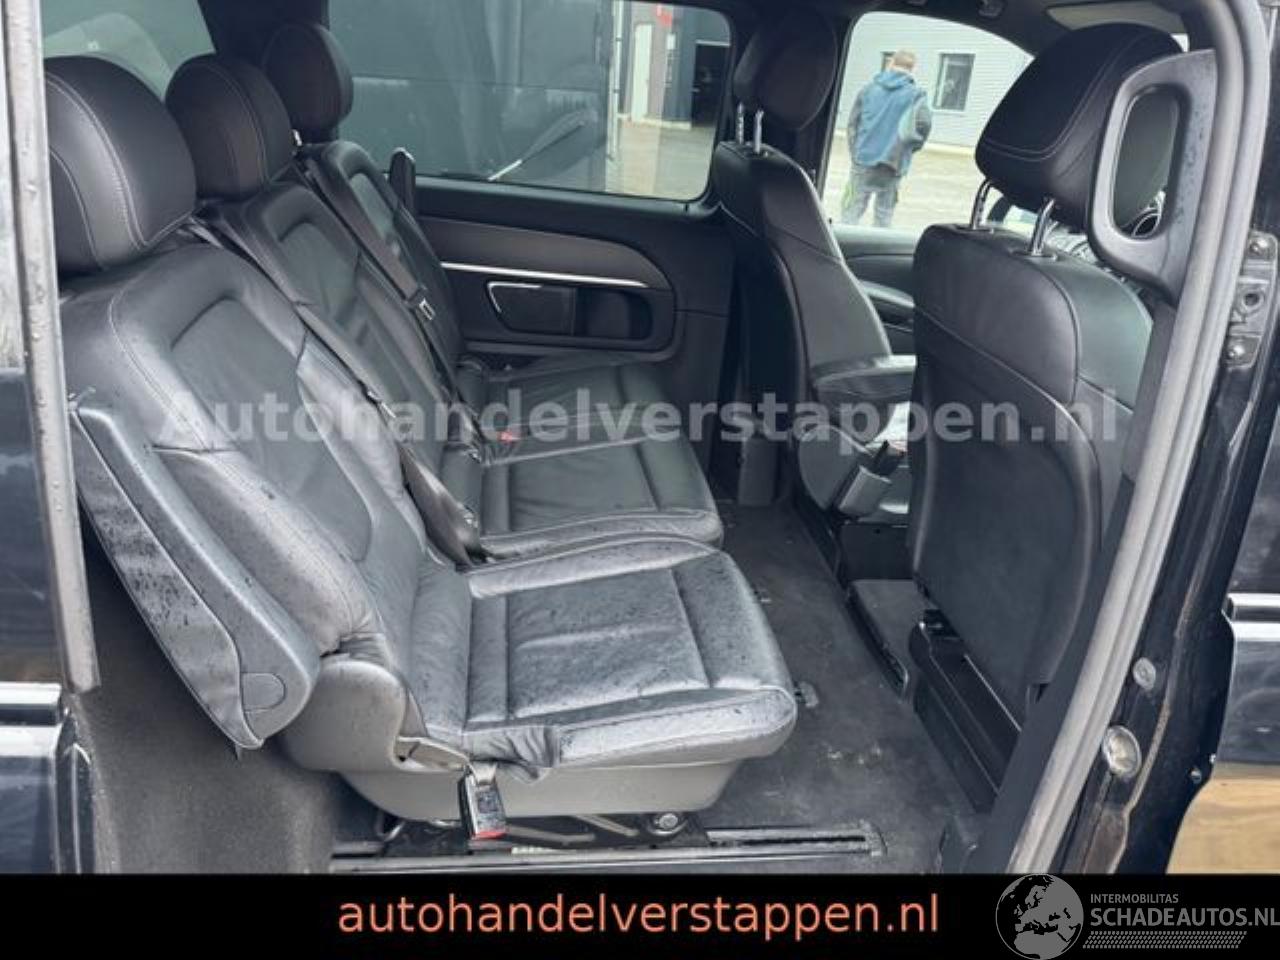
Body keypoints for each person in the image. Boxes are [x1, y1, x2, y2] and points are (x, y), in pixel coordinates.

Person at [842, 50, 933, 228]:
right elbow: (924, 125)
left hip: (863, 161)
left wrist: (856, 153)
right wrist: (909, 149)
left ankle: (843, 244)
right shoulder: (916, 95)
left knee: (850, 213)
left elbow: (852, 125)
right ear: (912, 68)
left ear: (890, 63)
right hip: (894, 163)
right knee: (883, 217)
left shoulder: (867, 90)